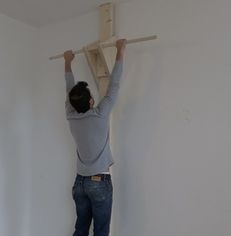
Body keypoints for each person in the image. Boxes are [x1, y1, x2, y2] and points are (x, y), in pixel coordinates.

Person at [63, 39, 127, 236]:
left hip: (80, 184)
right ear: (91, 101)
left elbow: (69, 92)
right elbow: (114, 85)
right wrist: (120, 50)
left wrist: (67, 62)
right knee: (100, 231)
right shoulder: (100, 114)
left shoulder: (70, 116)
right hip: (99, 182)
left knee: (81, 228)